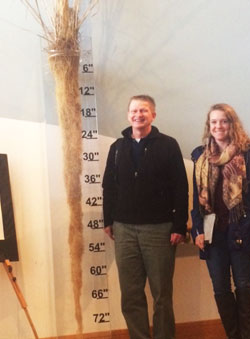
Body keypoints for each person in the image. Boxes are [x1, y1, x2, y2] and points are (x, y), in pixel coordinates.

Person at [102, 95, 189, 339]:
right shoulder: (117, 148)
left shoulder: (168, 145)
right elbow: (109, 186)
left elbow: (180, 187)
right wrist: (108, 220)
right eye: (134, 111)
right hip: (124, 229)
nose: (138, 115)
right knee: (130, 293)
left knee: (161, 295)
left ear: (153, 115)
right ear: (128, 114)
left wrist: (179, 226)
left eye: (144, 110)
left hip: (159, 230)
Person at [191, 103, 250, 339]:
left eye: (223, 121)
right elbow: (197, 199)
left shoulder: (246, 152)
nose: (218, 126)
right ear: (209, 126)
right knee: (221, 288)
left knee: (244, 285)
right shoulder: (200, 156)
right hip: (211, 233)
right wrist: (197, 230)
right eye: (214, 122)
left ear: (231, 124)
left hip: (241, 229)